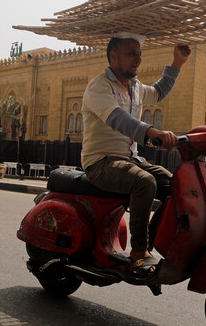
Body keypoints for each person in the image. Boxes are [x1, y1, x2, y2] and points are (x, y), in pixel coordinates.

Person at [81, 33, 191, 272]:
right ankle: (139, 251)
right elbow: (118, 119)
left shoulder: (136, 88)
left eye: (139, 54)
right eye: (131, 53)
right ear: (113, 56)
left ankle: (155, 239)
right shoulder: (99, 86)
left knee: (173, 183)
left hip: (129, 160)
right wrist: (153, 132)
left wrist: (178, 63)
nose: (138, 59)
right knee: (144, 182)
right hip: (100, 162)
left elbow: (159, 91)